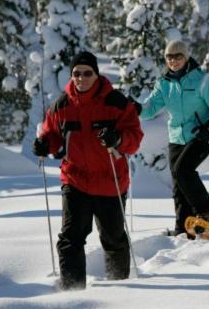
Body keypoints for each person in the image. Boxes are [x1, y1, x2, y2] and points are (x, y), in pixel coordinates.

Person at [32, 51, 143, 290]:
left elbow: (134, 138)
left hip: (110, 181)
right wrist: (44, 144)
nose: (81, 78)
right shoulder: (62, 105)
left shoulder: (117, 103)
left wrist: (118, 138)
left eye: (87, 73)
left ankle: (120, 288)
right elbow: (52, 136)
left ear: (96, 74)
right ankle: (73, 293)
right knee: (70, 239)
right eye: (76, 73)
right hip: (75, 180)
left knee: (113, 239)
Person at [138, 40, 209, 238]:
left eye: (178, 56)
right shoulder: (164, 84)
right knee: (178, 185)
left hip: (200, 135)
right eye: (169, 57)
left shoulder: (201, 80)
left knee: (182, 170)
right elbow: (150, 108)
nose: (174, 61)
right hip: (176, 138)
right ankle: (182, 229)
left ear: (186, 58)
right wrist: (135, 108)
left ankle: (205, 210)